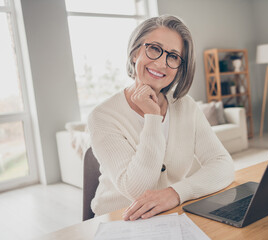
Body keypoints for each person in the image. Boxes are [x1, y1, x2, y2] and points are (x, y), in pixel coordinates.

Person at [87, 15, 234, 221]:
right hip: (118, 221)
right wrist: (152, 117)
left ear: (179, 68)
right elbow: (137, 190)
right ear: (134, 53)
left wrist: (176, 192)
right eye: (154, 48)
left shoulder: (186, 106)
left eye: (173, 56)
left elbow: (222, 164)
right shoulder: (102, 116)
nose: (161, 63)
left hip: (171, 215)